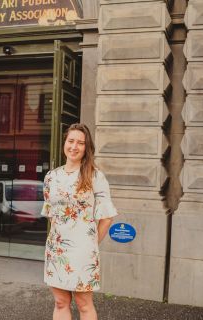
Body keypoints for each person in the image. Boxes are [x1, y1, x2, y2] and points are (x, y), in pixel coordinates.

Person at [42, 123, 118, 320]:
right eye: (71, 141)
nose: (74, 146)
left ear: (87, 147)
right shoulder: (51, 177)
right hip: (57, 248)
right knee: (60, 302)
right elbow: (51, 213)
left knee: (84, 304)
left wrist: (90, 244)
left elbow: (107, 217)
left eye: (80, 143)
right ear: (64, 143)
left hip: (83, 250)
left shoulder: (95, 176)